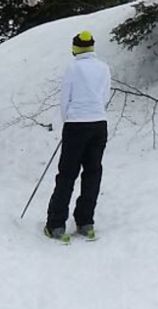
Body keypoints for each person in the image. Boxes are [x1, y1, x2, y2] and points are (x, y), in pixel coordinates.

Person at [45, 30, 111, 241]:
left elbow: (66, 98)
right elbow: (105, 96)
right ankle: (85, 222)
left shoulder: (73, 68)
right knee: (92, 173)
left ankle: (56, 224)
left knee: (67, 174)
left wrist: (68, 121)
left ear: (75, 48)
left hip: (76, 125)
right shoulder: (103, 67)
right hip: (99, 124)